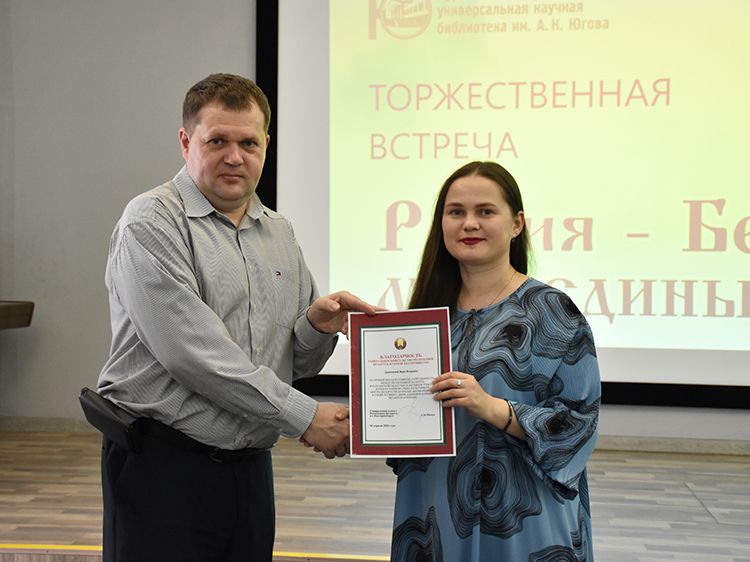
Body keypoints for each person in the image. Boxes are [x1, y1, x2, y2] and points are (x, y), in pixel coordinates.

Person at [97, 73, 376, 562]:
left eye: (248, 143)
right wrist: (306, 418)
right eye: (217, 141)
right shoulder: (150, 222)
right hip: (163, 469)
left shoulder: (279, 232)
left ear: (266, 145)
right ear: (186, 142)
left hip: (250, 472)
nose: (234, 156)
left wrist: (314, 327)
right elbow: (194, 356)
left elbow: (295, 366)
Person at [388, 161, 601, 561]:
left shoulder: (553, 312)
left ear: (516, 224)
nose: (469, 223)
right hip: (433, 510)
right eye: (456, 212)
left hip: (525, 523)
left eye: (485, 211)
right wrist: (366, 416)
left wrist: (492, 407)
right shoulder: (426, 316)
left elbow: (579, 424)